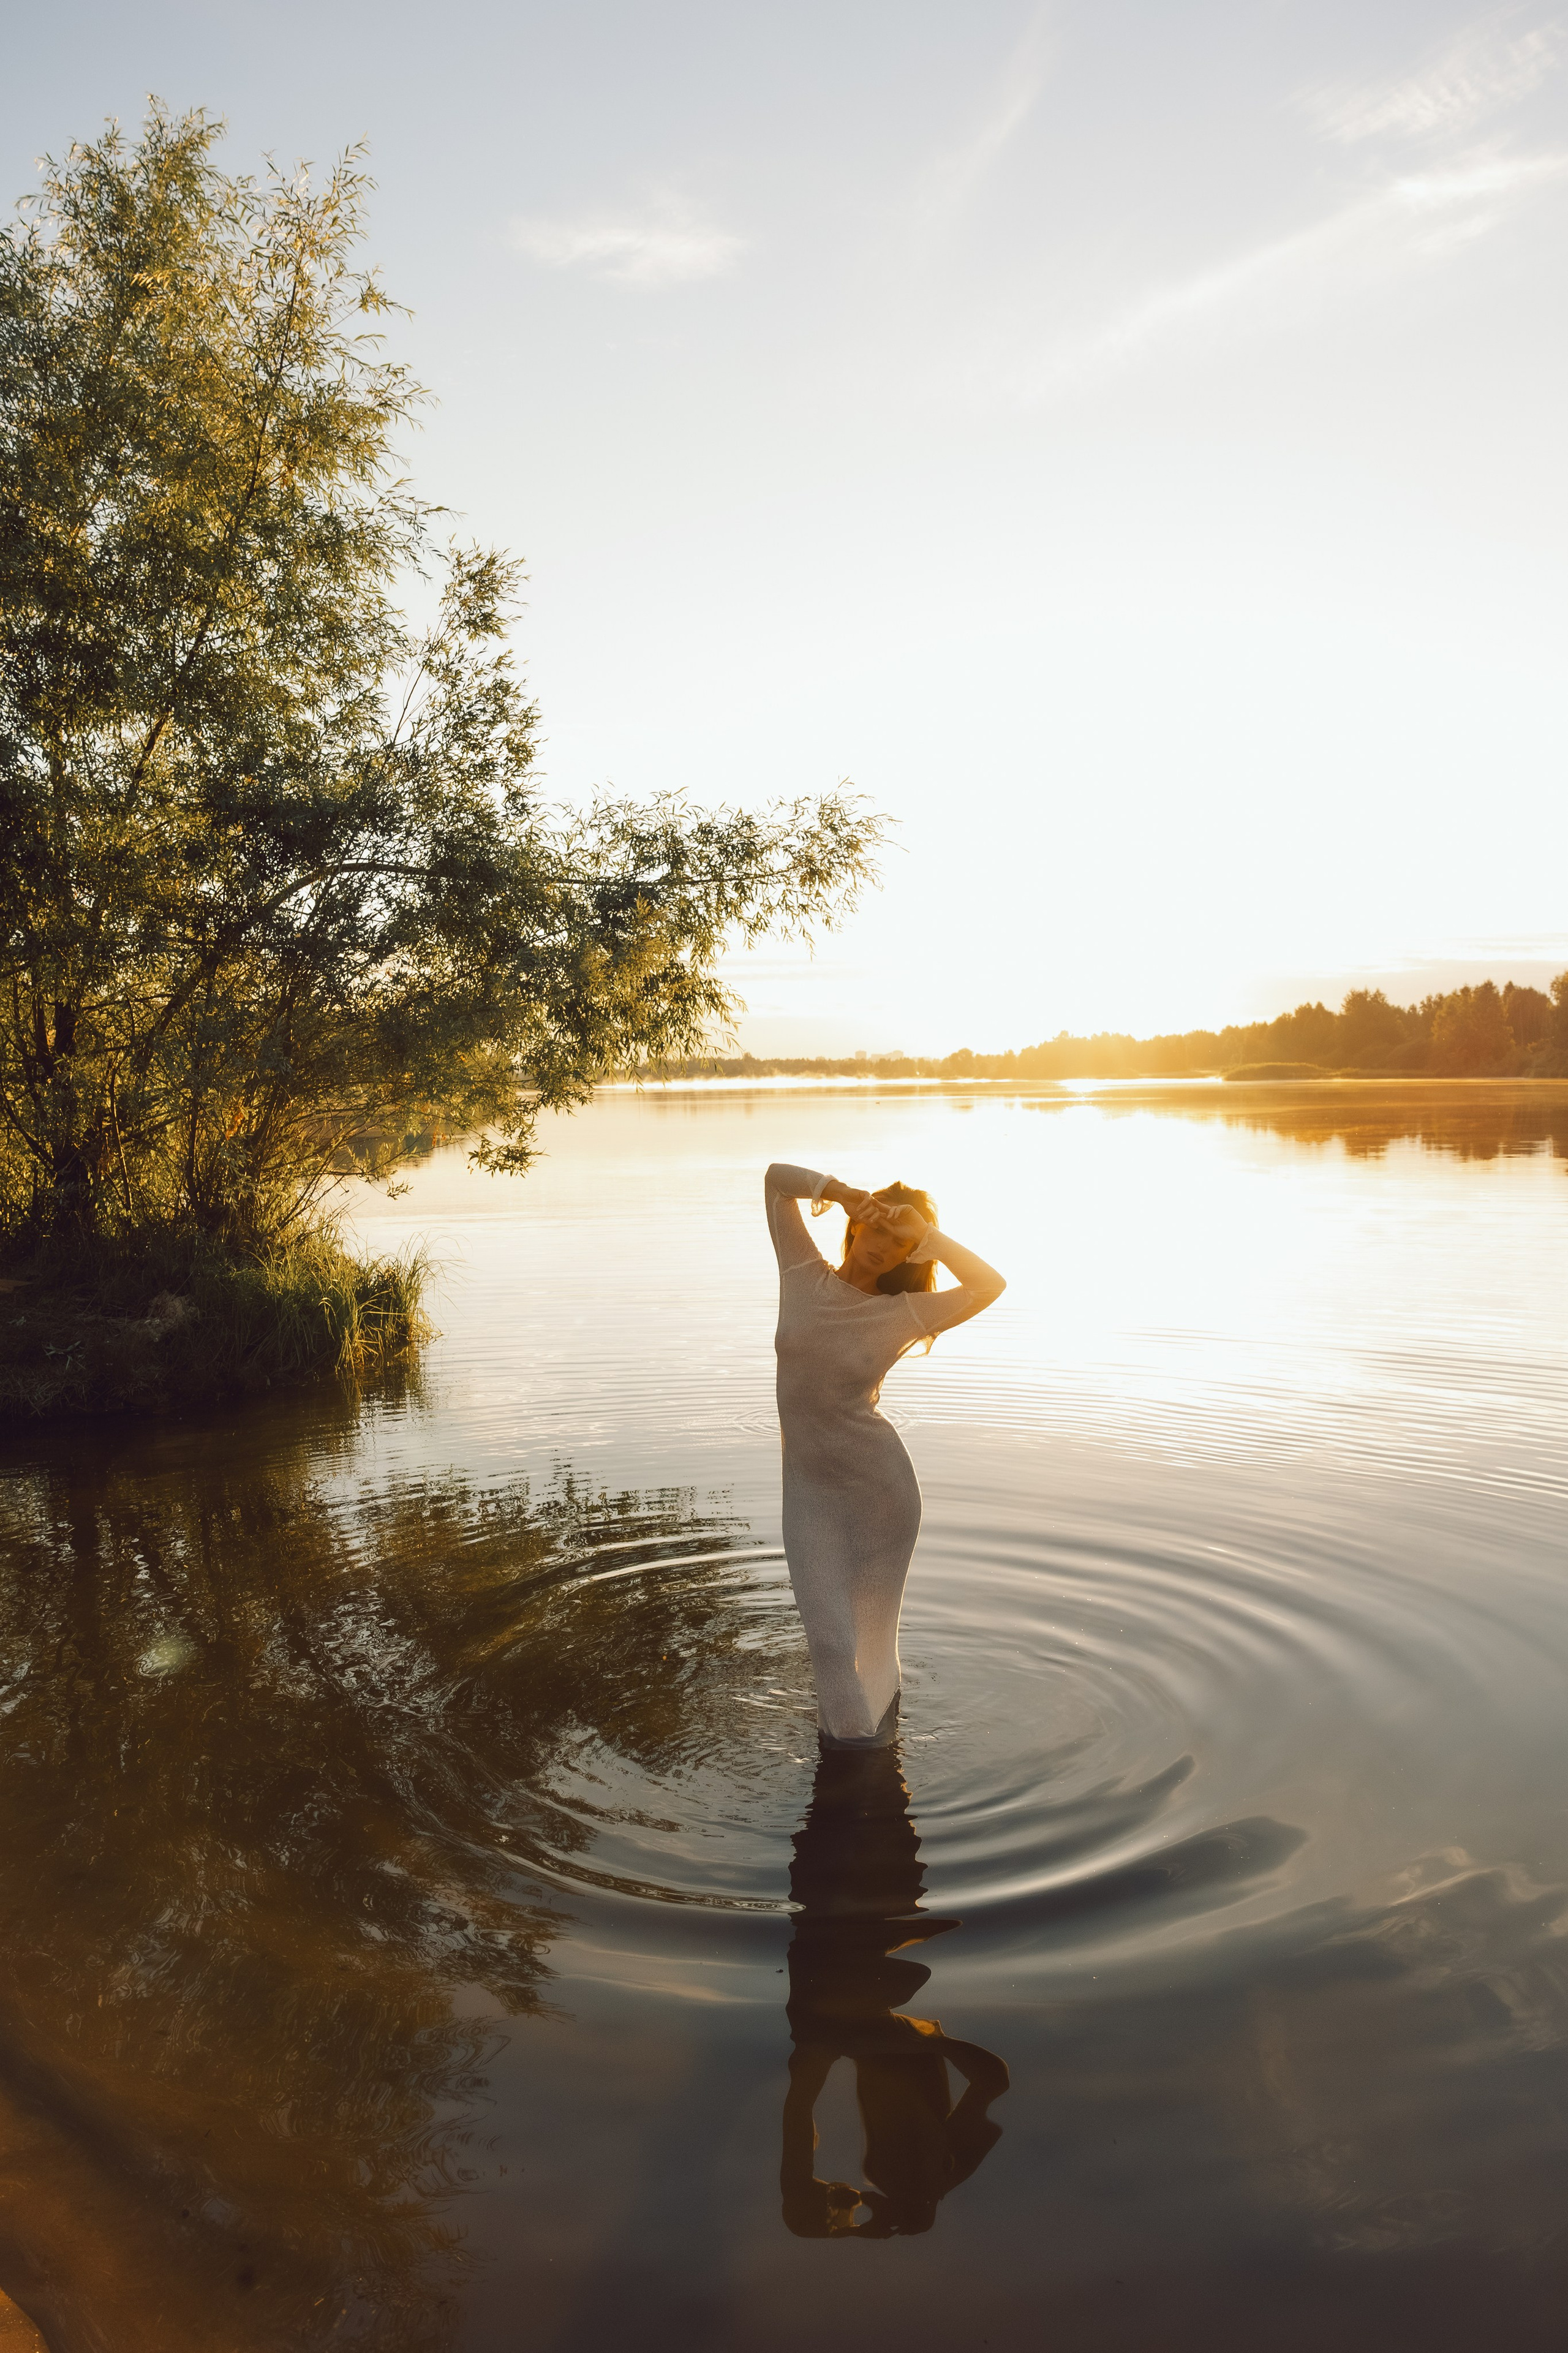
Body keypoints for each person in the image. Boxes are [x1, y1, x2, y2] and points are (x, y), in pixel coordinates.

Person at [764, 1162, 1006, 1746]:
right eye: (879, 1231)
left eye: (901, 1244)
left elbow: (988, 1286)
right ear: (856, 1226)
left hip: (879, 1490)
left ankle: (865, 1757)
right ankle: (856, 1749)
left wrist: (929, 1235)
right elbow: (775, 1180)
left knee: (872, 1640)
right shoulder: (801, 1271)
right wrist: (843, 1194)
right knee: (827, 1638)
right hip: (807, 1487)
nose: (884, 1248)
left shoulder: (905, 1312)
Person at [779, 1743, 1009, 2237]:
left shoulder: (820, 2030)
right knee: (871, 1795)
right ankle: (868, 1753)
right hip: (854, 1981)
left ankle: (860, 1752)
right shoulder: (916, 2171)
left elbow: (799, 2113)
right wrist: (927, 2043)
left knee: (847, 1803)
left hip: (836, 1981)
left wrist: (823, 2209)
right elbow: (994, 2079)